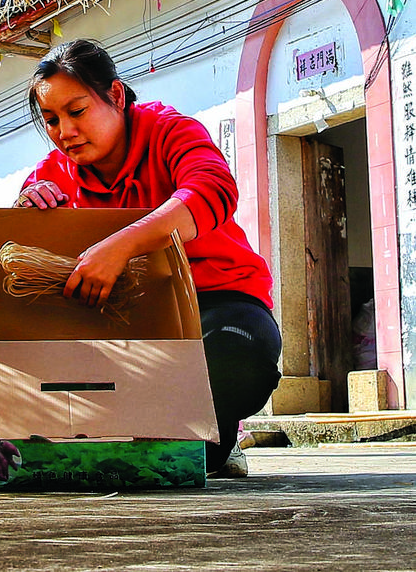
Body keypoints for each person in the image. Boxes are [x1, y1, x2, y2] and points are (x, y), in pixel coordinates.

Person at [14, 37, 282, 477]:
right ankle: (166, 437)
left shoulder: (171, 131)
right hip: (123, 323)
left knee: (237, 355)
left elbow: (213, 190)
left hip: (216, 302)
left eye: (77, 111)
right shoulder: (53, 173)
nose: (65, 131)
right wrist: (26, 212)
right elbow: (20, 248)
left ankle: (216, 436)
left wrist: (120, 246)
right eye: (51, 120)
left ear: (115, 95)